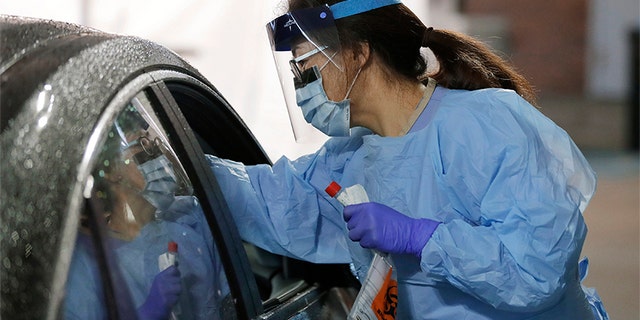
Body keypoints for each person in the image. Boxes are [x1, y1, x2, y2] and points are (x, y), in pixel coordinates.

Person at [208, 0, 609, 319]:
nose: (302, 87)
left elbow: (538, 269)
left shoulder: (486, 127)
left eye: (305, 66)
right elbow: (273, 202)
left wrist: (421, 237)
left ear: (357, 54)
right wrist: (165, 167)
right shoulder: (351, 159)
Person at [65, 104, 229, 320]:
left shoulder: (190, 220)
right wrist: (146, 314)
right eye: (144, 151)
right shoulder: (84, 268)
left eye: (155, 146)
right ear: (112, 170)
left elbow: (231, 303)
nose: (160, 161)